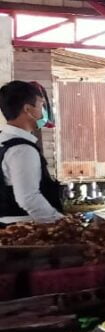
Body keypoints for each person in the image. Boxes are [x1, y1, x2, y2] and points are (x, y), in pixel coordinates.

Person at [0, 80, 63, 224]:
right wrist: (61, 222)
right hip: (21, 228)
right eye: (41, 105)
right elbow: (28, 198)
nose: (43, 111)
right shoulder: (22, 149)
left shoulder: (3, 141)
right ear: (28, 109)